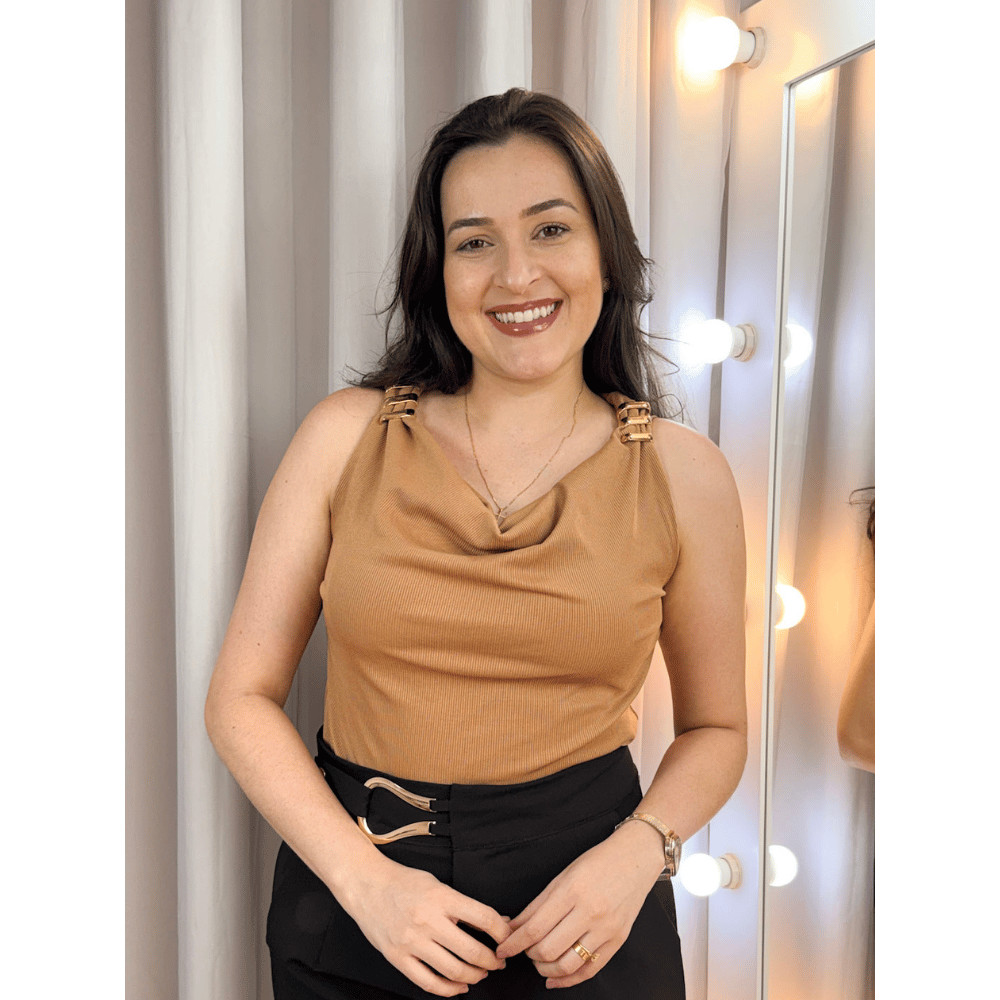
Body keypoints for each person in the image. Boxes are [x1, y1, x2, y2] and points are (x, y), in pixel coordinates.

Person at [205, 88, 747, 999]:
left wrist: (638, 855)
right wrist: (366, 885)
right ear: (438, 271)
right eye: (474, 242)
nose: (515, 275)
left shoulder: (684, 474)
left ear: (606, 252)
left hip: (588, 923)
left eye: (550, 230)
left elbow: (717, 730)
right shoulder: (344, 437)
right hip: (361, 914)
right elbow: (240, 699)